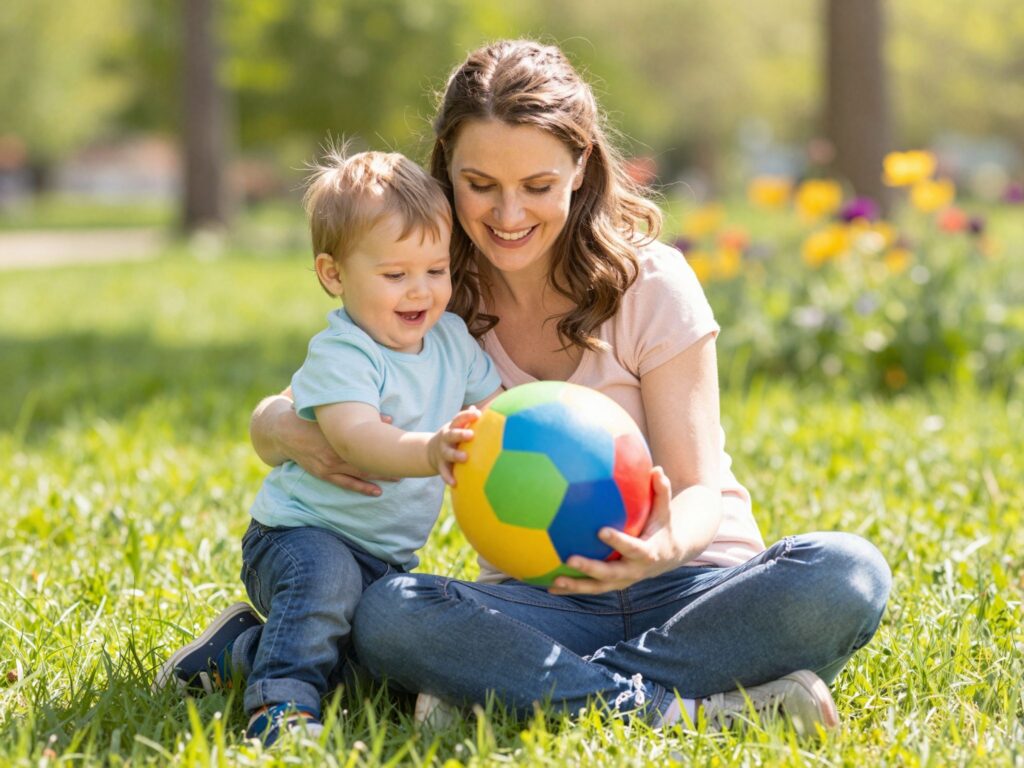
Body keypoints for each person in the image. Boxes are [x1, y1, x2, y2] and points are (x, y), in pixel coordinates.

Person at [253, 40, 892, 735]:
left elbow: (700, 486)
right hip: (534, 598)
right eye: (480, 184)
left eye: (536, 185)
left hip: (693, 587)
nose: (507, 214)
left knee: (848, 571)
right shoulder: (433, 290)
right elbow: (314, 395)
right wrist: (275, 427)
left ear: (581, 165)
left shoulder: (653, 284)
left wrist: (664, 548)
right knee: (392, 612)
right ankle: (681, 710)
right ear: (446, 165)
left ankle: (513, 689)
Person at [155, 149, 502, 745]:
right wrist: (430, 451)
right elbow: (356, 438)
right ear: (334, 274)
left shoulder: (450, 340)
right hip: (299, 539)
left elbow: (498, 402)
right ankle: (280, 708)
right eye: (395, 275)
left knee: (376, 648)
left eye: (435, 270)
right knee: (327, 585)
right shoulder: (345, 353)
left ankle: (237, 652)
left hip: (386, 558)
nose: (420, 290)